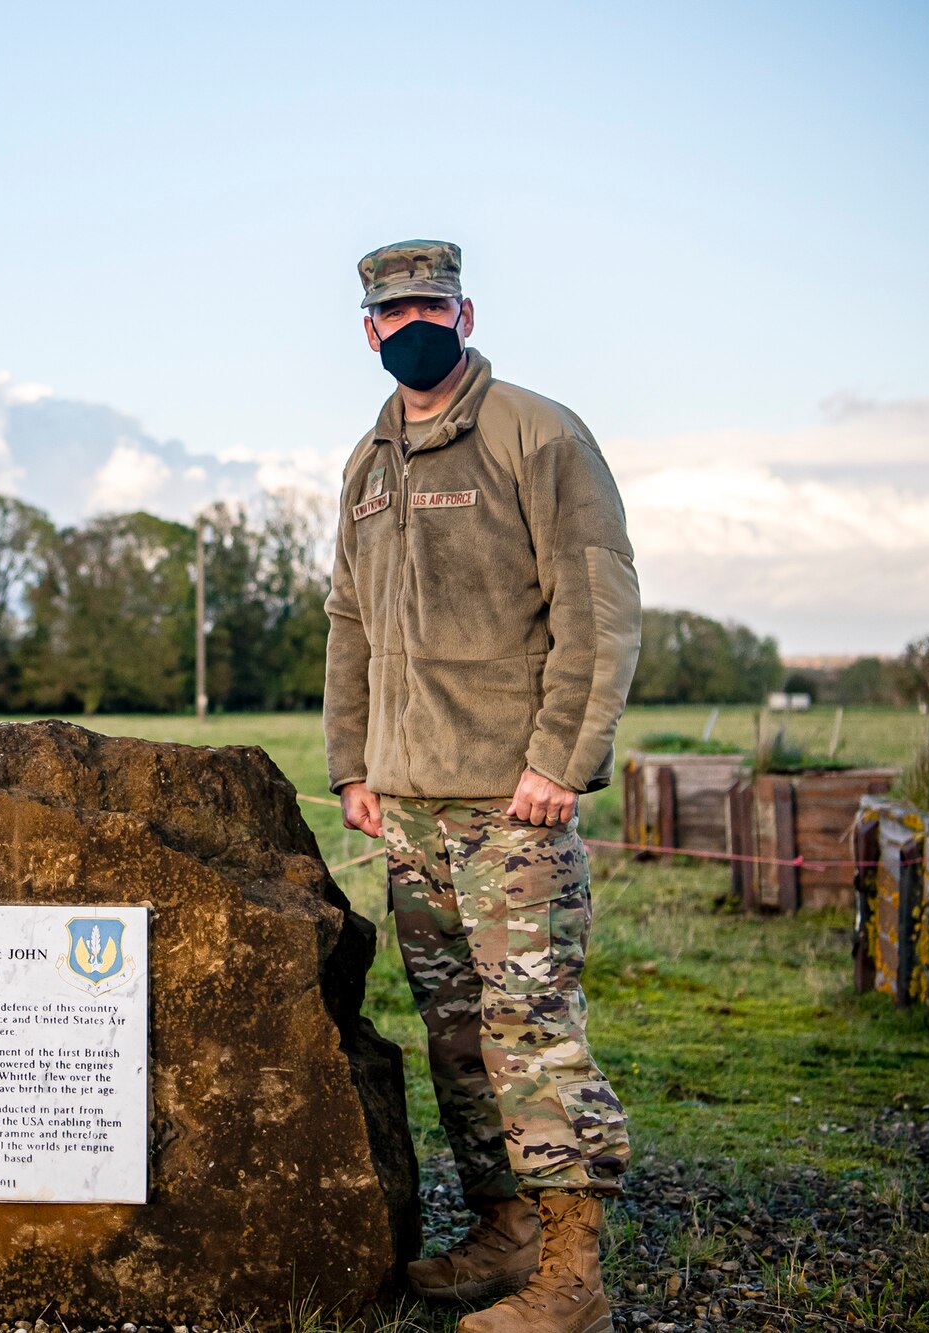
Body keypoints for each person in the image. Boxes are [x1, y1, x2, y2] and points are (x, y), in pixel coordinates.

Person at [323, 240, 640, 1333]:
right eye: (388, 309)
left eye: (427, 303)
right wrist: (353, 763)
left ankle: (570, 1274)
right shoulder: (367, 466)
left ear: (462, 312)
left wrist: (560, 756)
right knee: (453, 1024)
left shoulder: (536, 434)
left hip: (511, 798)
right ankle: (503, 1230)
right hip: (406, 803)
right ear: (365, 330)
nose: (407, 322)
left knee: (530, 1023)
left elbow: (595, 608)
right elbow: (349, 625)